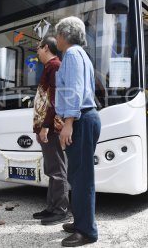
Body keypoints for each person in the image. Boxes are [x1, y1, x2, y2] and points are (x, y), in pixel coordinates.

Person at [54, 17, 101, 247]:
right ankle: (81, 221)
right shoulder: (82, 55)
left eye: (56, 35)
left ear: (63, 35)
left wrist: (69, 121)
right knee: (78, 175)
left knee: (81, 179)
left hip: (80, 118)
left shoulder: (71, 55)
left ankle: (87, 231)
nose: (56, 39)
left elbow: (73, 89)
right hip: (85, 117)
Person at [32, 36, 69, 225]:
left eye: (38, 48)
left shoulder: (54, 66)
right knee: (51, 168)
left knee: (57, 169)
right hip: (47, 127)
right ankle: (52, 207)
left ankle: (61, 210)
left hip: (52, 127)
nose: (37, 52)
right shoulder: (50, 67)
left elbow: (55, 99)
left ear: (45, 47)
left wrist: (45, 126)